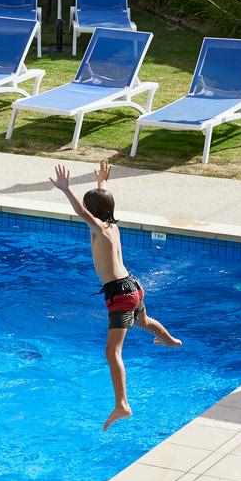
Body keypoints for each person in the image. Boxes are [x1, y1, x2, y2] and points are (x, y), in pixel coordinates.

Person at [51, 161, 183, 431]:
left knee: (113, 351)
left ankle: (122, 403)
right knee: (144, 322)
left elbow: (81, 211)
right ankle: (170, 341)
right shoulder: (112, 226)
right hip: (133, 286)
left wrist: (66, 189)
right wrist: (102, 183)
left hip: (121, 295)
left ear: (95, 212)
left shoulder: (98, 228)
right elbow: (102, 204)